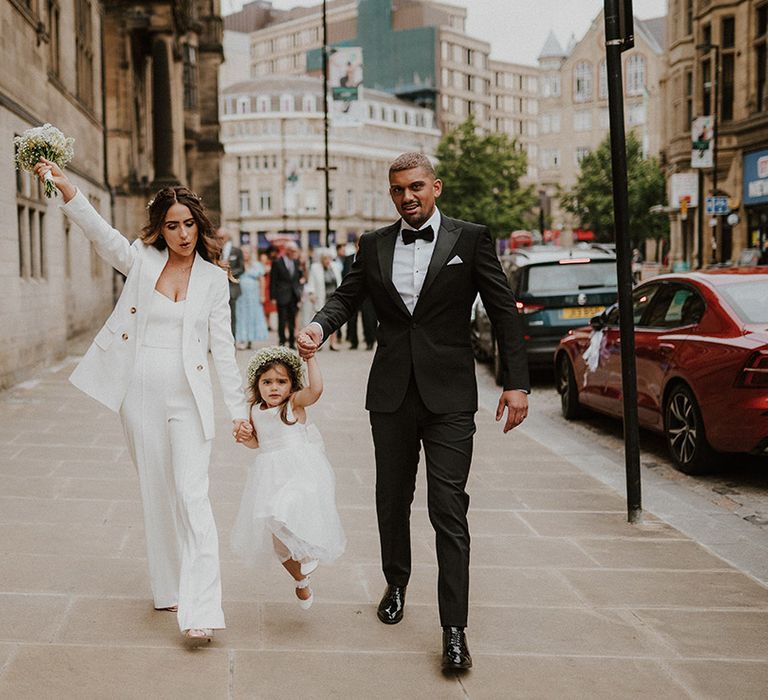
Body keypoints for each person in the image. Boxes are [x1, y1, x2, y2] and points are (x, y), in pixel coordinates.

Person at [297, 152, 530, 671]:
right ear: (392, 193)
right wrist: (319, 326)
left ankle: (454, 630)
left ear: (437, 187)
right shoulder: (373, 244)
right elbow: (348, 296)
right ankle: (396, 582)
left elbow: (502, 309)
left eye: (417, 187)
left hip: (449, 398)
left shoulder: (470, 239)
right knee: (391, 498)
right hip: (392, 395)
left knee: (448, 508)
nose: (408, 197)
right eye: (399, 189)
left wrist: (516, 383)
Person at [34, 157, 249, 645]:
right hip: (140, 391)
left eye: (189, 224)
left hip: (188, 397)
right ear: (161, 228)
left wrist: (240, 414)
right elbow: (102, 235)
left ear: (200, 224)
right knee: (156, 491)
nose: (182, 234)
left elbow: (224, 351)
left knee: (193, 496)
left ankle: (203, 607)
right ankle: (168, 587)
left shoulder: (215, 280)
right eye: (172, 226)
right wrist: (69, 190)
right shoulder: (141, 261)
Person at [231, 346, 346, 608]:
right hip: (270, 475)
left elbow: (315, 390)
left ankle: (308, 551)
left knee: (283, 507)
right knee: (278, 542)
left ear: (292, 384)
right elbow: (256, 444)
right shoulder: (254, 410)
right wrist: (244, 437)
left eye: (281, 382)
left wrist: (311, 359)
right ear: (257, 384)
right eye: (267, 382)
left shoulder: (293, 404)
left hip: (299, 472)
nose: (274, 388)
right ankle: (301, 581)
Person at [305, 249, 342, 350]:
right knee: (321, 320)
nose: (327, 260)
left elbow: (339, 281)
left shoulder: (335, 266)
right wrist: (311, 293)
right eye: (325, 258)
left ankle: (333, 343)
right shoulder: (315, 268)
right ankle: (318, 342)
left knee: (334, 319)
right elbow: (311, 282)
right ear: (321, 259)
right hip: (321, 296)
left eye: (329, 258)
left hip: (333, 297)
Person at [269, 241, 303, 348]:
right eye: (292, 251)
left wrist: (299, 293)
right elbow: (273, 281)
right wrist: (273, 296)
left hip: (293, 296)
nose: (294, 253)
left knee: (292, 320)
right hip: (282, 296)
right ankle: (282, 342)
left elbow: (297, 279)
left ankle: (292, 342)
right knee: (282, 320)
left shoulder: (296, 262)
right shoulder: (277, 262)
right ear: (287, 250)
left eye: (295, 251)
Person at [235, 246, 269, 349]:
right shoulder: (238, 264)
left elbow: (262, 280)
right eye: (243, 252)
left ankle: (250, 339)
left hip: (253, 295)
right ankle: (242, 338)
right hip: (241, 295)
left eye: (247, 252)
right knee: (241, 316)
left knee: (252, 316)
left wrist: (262, 295)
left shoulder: (257, 265)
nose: (245, 254)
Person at [217, 228, 245, 336]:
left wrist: (228, 273)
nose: (220, 240)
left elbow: (241, 268)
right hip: (217, 289)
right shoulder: (215, 250)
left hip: (232, 288)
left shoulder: (237, 251)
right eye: (218, 237)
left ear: (227, 237)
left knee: (231, 316)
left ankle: (232, 340)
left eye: (222, 237)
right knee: (218, 317)